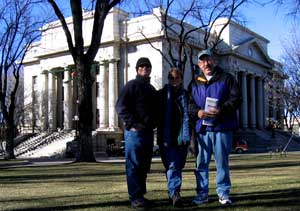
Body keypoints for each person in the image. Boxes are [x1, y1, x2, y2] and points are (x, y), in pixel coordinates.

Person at [188, 49, 242, 206]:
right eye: (203, 61)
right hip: (202, 130)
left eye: (209, 60)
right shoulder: (195, 82)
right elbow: (189, 104)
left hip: (222, 127)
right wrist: (197, 112)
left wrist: (222, 109)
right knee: (201, 164)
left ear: (215, 61)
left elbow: (237, 99)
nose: (206, 63)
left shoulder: (227, 78)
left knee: (222, 163)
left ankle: (223, 193)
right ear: (199, 64)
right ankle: (202, 194)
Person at [115, 57, 157, 209]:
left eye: (147, 66)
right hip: (134, 132)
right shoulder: (131, 86)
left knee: (144, 165)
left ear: (150, 69)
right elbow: (120, 106)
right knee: (133, 165)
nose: (145, 68)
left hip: (148, 132)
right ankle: (135, 197)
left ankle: (141, 195)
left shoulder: (151, 89)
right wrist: (132, 124)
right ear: (138, 69)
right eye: (142, 66)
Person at [157, 68, 190, 207]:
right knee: (172, 166)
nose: (174, 80)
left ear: (181, 79)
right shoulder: (162, 95)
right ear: (168, 79)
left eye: (177, 78)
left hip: (182, 137)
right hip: (167, 137)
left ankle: (173, 193)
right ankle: (175, 193)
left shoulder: (187, 95)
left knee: (178, 166)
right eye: (171, 78)